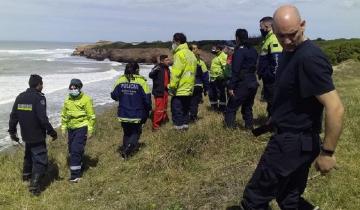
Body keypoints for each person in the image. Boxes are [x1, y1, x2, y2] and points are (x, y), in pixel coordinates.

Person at [239, 5, 344, 209]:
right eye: (281, 36)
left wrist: (327, 153)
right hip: (294, 140)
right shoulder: (289, 52)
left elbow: (336, 108)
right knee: (289, 198)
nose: (286, 41)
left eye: (292, 34)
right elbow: (292, 95)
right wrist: (276, 117)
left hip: (291, 144)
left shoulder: (309, 58)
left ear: (303, 25)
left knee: (253, 200)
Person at [8, 74, 57, 196]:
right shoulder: (39, 98)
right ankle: (34, 187)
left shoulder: (20, 97)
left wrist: (12, 131)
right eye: (42, 84)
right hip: (37, 135)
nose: (43, 86)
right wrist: (52, 132)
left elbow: (13, 116)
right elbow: (43, 119)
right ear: (38, 85)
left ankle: (26, 177)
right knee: (40, 160)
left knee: (28, 156)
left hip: (26, 135)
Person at [111, 62, 151, 159]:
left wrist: (123, 96)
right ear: (137, 70)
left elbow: (113, 95)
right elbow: (147, 99)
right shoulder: (142, 82)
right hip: (137, 113)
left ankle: (125, 154)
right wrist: (148, 110)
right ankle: (128, 150)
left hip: (123, 112)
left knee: (127, 132)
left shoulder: (120, 80)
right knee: (136, 132)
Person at [61, 79, 96, 182]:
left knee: (76, 149)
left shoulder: (86, 99)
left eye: (74, 88)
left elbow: (91, 116)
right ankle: (80, 165)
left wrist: (90, 129)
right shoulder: (67, 100)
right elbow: (64, 115)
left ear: (79, 88)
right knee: (72, 150)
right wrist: (63, 127)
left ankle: (75, 176)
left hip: (82, 127)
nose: (72, 90)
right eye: (71, 88)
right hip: (71, 128)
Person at [224, 29, 258, 130]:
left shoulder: (239, 51)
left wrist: (231, 87)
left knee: (231, 107)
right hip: (253, 81)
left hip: (243, 83)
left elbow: (236, 70)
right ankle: (249, 127)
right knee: (247, 107)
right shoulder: (253, 50)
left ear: (237, 38)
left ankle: (230, 130)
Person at [168, 33, 197, 130]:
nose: (172, 44)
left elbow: (176, 72)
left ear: (177, 41)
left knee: (177, 110)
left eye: (173, 41)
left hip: (180, 88)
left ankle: (178, 132)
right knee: (185, 110)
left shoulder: (179, 54)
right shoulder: (191, 54)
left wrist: (171, 86)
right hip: (189, 87)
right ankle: (185, 129)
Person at [257, 16, 283, 118]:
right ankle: (271, 123)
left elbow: (276, 60)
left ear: (267, 26)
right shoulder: (267, 39)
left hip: (272, 80)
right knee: (270, 102)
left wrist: (270, 75)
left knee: (274, 102)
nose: (260, 29)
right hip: (268, 79)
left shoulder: (273, 39)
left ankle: (276, 127)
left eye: (261, 27)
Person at [149, 55, 171, 131]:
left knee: (164, 108)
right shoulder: (157, 67)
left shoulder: (167, 69)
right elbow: (150, 75)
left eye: (168, 60)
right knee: (159, 109)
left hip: (165, 91)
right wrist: (155, 70)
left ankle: (163, 122)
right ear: (162, 61)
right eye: (167, 60)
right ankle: (155, 127)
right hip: (159, 92)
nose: (169, 61)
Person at [189, 44, 210, 122]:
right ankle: (192, 117)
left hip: (193, 85)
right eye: (194, 49)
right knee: (193, 102)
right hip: (193, 85)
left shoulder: (199, 62)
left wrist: (206, 88)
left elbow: (205, 76)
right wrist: (206, 88)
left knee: (191, 102)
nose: (196, 50)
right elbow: (205, 76)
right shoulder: (200, 62)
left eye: (196, 48)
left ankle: (191, 116)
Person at [209, 44, 228, 112]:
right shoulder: (216, 56)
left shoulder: (223, 56)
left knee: (221, 93)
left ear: (219, 49)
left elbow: (225, 68)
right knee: (212, 93)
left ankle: (222, 108)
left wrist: (222, 76)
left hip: (219, 79)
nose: (213, 52)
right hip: (213, 78)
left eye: (215, 50)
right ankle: (214, 107)